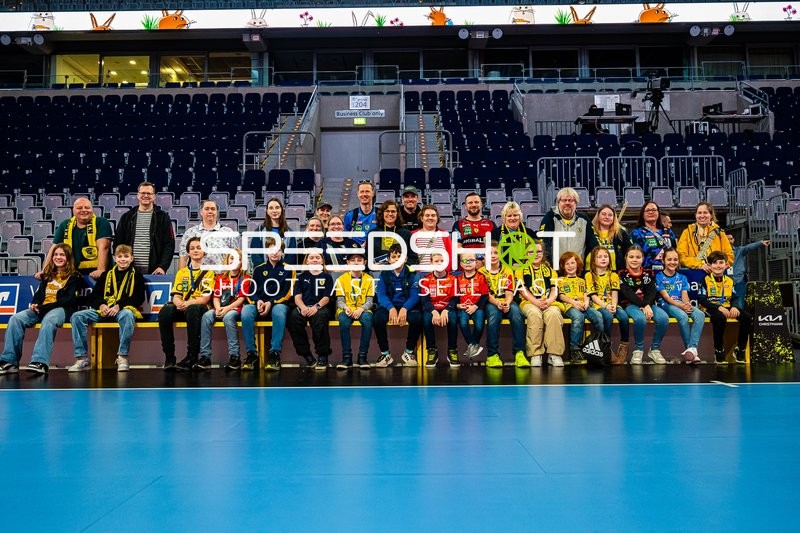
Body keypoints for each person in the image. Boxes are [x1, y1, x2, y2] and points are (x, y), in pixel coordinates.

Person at [0, 244, 84, 375]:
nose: (58, 257)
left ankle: (40, 362)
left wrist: (43, 308)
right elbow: (39, 294)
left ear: (68, 257)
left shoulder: (75, 276)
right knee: (16, 319)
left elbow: (67, 300)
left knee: (49, 320)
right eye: (56, 255)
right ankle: (10, 361)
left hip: (61, 309)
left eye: (62, 255)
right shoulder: (48, 274)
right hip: (42, 308)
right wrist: (35, 303)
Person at [69, 244, 146, 373]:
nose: (123, 259)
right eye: (120, 256)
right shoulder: (106, 275)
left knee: (127, 315)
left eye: (126, 256)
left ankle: (122, 357)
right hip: (103, 311)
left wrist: (118, 306)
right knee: (77, 316)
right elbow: (93, 296)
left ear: (131, 258)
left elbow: (138, 298)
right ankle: (81, 358)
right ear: (114, 259)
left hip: (122, 310)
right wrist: (101, 305)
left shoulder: (137, 275)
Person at [159, 236, 215, 371]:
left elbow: (205, 298)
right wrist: (178, 303)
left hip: (199, 308)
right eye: (192, 248)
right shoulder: (182, 272)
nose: (195, 251)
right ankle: (169, 357)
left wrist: (188, 303)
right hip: (183, 307)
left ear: (205, 252)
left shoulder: (209, 272)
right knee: (165, 312)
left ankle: (192, 356)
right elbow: (176, 295)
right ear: (188, 253)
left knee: (193, 309)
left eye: (199, 248)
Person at [198, 250, 256, 371]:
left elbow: (241, 299)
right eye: (231, 259)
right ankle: (205, 356)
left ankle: (234, 356)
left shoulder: (246, 278)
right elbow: (216, 297)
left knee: (228, 317)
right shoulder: (220, 277)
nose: (234, 262)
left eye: (238, 259)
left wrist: (227, 309)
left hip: (236, 308)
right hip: (220, 307)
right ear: (227, 261)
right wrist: (218, 308)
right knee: (206, 316)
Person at [245, 238, 294, 371]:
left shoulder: (289, 269)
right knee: (246, 312)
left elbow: (287, 293)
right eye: (272, 249)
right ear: (266, 252)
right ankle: (251, 354)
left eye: (278, 250)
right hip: (259, 303)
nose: (275, 253)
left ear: (282, 253)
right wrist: (257, 301)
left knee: (278, 311)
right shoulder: (258, 269)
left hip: (279, 304)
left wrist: (270, 303)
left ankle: (274, 354)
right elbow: (251, 292)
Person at [373, 243, 423, 368]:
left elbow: (415, 295)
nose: (397, 259)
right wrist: (391, 309)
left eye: (400, 256)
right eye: (394, 257)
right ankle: (385, 354)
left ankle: (408, 352)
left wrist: (405, 308)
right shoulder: (384, 274)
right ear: (389, 259)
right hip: (390, 306)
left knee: (417, 319)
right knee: (377, 318)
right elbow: (381, 294)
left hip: (408, 306)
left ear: (405, 259)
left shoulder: (413, 273)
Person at [618, 245, 670, 365]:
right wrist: (644, 305)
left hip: (648, 304)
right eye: (631, 257)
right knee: (640, 319)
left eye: (638, 257)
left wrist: (647, 305)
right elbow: (627, 293)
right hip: (630, 305)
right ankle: (638, 350)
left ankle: (655, 349)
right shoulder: (621, 274)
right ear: (626, 258)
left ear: (642, 259)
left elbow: (651, 291)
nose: (634, 260)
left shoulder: (648, 272)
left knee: (663, 318)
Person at [698, 250, 752, 364]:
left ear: (726, 265)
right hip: (710, 308)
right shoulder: (704, 280)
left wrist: (735, 307)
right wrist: (718, 307)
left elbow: (734, 297)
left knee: (747, 317)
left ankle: (740, 349)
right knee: (719, 318)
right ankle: (719, 350)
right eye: (715, 263)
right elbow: (702, 300)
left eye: (721, 263)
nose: (718, 266)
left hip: (727, 307)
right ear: (709, 265)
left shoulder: (730, 280)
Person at [517, 241, 565, 367]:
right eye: (531, 252)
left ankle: (554, 354)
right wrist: (536, 302)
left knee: (554, 314)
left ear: (543, 253)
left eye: (538, 251)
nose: (535, 254)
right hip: (529, 302)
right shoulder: (521, 269)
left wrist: (549, 301)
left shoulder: (550, 270)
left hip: (548, 302)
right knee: (534, 314)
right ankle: (535, 354)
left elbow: (555, 289)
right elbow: (522, 290)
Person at [481, 241, 526, 368]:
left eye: (496, 253)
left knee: (517, 313)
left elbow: (510, 290)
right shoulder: (481, 272)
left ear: (501, 255)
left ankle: (519, 353)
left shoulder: (508, 270)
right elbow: (486, 294)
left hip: (506, 300)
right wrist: (497, 303)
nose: (493, 256)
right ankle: (492, 355)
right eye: (489, 253)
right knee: (493, 315)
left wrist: (507, 302)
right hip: (490, 301)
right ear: (484, 257)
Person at [114, 181, 175, 275]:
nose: (146, 196)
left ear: (154, 196)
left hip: (155, 271)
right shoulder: (127, 217)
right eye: (143, 193)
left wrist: (162, 267)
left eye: (149, 193)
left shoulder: (163, 217)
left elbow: (169, 244)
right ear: (138, 195)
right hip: (128, 270)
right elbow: (118, 242)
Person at [656, 248, 705, 364]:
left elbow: (684, 294)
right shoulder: (659, 276)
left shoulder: (682, 277)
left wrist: (687, 304)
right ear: (663, 261)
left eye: (675, 260)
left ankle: (692, 349)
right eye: (669, 259)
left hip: (681, 304)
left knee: (700, 314)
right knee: (683, 316)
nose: (672, 262)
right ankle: (690, 353)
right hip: (666, 305)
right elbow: (666, 297)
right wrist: (682, 306)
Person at [555, 251, 604, 363]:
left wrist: (586, 302)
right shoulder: (561, 280)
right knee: (578, 318)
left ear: (577, 264)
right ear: (563, 266)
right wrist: (573, 302)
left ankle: (598, 345)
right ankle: (575, 349)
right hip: (570, 306)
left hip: (584, 305)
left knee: (598, 316)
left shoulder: (582, 280)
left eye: (572, 263)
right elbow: (561, 295)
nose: (570, 266)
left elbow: (587, 293)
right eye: (567, 264)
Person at [46, 197, 112, 279]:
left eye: (87, 207)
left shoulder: (101, 222)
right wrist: (44, 271)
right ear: (73, 211)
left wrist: (101, 270)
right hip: (73, 273)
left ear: (92, 209)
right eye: (79, 208)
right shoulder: (65, 224)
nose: (84, 210)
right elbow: (53, 248)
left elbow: (104, 247)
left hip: (96, 273)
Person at [287, 251, 333, 369]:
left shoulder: (327, 277)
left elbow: (327, 297)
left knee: (320, 318)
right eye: (311, 258)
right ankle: (306, 355)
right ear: (306, 261)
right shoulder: (302, 277)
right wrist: (302, 307)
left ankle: (323, 355)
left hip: (321, 307)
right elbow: (297, 297)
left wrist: (316, 307)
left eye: (317, 257)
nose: (314, 260)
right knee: (293, 318)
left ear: (322, 261)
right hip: (304, 306)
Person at [586, 246, 630, 365]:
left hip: (612, 303)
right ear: (593, 260)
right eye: (599, 257)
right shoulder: (589, 275)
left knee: (624, 317)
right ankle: (607, 347)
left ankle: (624, 346)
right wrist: (605, 306)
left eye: (605, 256)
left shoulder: (613, 275)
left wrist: (614, 306)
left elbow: (615, 293)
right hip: (598, 304)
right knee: (608, 317)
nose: (603, 259)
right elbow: (593, 296)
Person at [334, 252, 375, 369]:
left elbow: (370, 301)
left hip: (363, 309)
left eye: (359, 260)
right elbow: (339, 301)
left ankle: (362, 357)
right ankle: (347, 357)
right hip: (346, 309)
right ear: (348, 262)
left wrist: (361, 309)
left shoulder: (369, 279)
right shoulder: (341, 279)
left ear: (364, 263)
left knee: (368, 319)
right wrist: (346, 308)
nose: (356, 262)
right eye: (352, 260)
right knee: (344, 321)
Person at [538, 188, 597, 265]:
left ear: (576, 203)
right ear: (558, 202)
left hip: (578, 270)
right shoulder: (549, 217)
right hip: (555, 269)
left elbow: (593, 243)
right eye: (564, 200)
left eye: (571, 200)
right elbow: (544, 243)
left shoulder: (584, 220)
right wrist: (548, 264)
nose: (567, 203)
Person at [420, 253, 459, 368]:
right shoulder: (426, 279)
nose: (439, 263)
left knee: (453, 319)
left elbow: (455, 298)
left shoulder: (453, 278)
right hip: (432, 308)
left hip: (448, 308)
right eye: (436, 261)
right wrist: (434, 311)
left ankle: (452, 350)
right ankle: (432, 350)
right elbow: (425, 300)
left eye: (442, 260)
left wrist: (447, 310)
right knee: (426, 319)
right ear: (431, 263)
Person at [179, 199, 239, 270]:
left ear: (217, 212)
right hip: (197, 278)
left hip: (221, 277)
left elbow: (235, 258)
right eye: (207, 209)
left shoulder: (228, 232)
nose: (210, 211)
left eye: (213, 209)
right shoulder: (190, 233)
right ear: (201, 212)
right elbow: (183, 259)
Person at [677, 202, 734, 272]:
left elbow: (729, 255)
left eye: (705, 213)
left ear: (711, 215)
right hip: (695, 274)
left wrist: (718, 267)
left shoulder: (719, 233)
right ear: (696, 215)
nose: (702, 215)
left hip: (716, 274)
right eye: (699, 213)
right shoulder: (687, 232)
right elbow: (681, 256)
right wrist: (699, 265)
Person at [455, 252, 488, 362]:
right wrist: (458, 305)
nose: (468, 263)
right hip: (464, 308)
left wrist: (476, 306)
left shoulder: (481, 277)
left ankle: (473, 346)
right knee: (463, 323)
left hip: (477, 307)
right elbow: (454, 296)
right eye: (465, 261)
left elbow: (484, 296)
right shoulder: (458, 279)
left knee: (479, 324)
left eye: (471, 260)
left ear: (476, 262)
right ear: (461, 264)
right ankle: (473, 345)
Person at [727, 233, 770, 308]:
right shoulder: (719, 253)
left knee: (739, 304)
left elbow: (748, 247)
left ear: (733, 240)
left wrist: (760, 243)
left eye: (731, 239)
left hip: (738, 281)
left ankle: (741, 319)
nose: (729, 241)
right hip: (724, 282)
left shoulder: (739, 250)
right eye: (727, 239)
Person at [630, 202, 676, 272]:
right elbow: (635, 255)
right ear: (643, 214)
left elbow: (674, 251)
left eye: (654, 210)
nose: (651, 212)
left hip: (667, 273)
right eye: (647, 210)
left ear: (658, 213)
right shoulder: (637, 233)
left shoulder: (668, 232)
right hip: (647, 273)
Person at [249, 197, 292, 268]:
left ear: (282, 210)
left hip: (283, 273)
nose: (274, 211)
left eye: (277, 207)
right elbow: (255, 254)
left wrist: (281, 270)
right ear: (267, 211)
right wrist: (264, 269)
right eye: (271, 208)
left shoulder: (289, 233)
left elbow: (291, 257)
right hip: (264, 273)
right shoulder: (259, 231)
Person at [366, 199, 412, 265]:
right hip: (378, 272)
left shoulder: (406, 233)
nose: (390, 214)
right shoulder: (373, 234)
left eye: (393, 211)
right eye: (387, 211)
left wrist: (401, 264)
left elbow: (413, 259)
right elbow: (367, 258)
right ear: (382, 214)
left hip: (401, 272)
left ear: (397, 214)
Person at [589, 204, 631, 271]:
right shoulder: (590, 231)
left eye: (610, 215)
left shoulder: (621, 233)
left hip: (614, 272)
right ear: (598, 216)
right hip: (592, 272)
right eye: (604, 214)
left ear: (614, 218)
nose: (607, 217)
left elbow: (630, 251)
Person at [343, 180, 377, 246]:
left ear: (373, 193)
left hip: (376, 253)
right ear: (358, 194)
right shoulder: (350, 215)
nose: (364, 194)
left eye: (367, 191)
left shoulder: (380, 213)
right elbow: (345, 238)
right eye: (362, 192)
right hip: (357, 253)